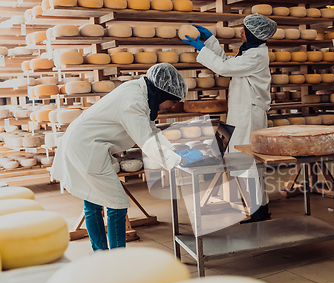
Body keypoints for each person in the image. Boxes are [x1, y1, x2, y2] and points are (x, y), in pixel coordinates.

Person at [51, 63, 203, 251]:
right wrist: (177, 160)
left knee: (94, 201)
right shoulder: (134, 101)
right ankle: (118, 258)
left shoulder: (140, 91)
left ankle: (101, 254)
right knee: (117, 204)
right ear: (162, 95)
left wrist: (174, 151)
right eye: (172, 102)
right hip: (86, 148)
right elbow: (146, 140)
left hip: (81, 142)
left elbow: (150, 130)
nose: (171, 107)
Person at [182, 13, 277, 222]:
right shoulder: (250, 52)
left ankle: (259, 211)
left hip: (249, 115)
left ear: (254, 33)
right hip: (242, 113)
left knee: (247, 163)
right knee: (245, 164)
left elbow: (224, 68)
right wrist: (210, 41)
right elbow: (227, 62)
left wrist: (202, 49)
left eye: (245, 29)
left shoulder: (257, 56)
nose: (241, 32)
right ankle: (258, 209)